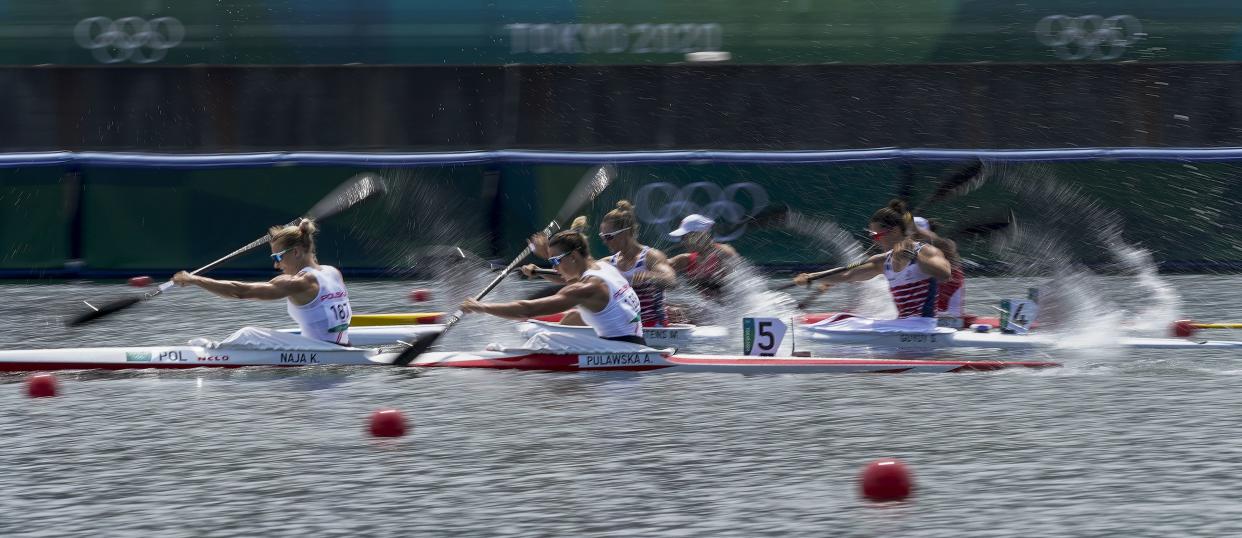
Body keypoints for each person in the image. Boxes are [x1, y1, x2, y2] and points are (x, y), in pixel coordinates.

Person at [466, 217, 646, 345]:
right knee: (531, 329)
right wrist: (538, 272)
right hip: (631, 343)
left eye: (555, 261)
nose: (554, 267)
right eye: (551, 262)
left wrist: (482, 307)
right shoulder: (604, 267)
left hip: (622, 349)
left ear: (574, 256)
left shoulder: (586, 288)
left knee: (540, 336)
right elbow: (568, 277)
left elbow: (528, 309)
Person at [172, 218, 353, 345]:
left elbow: (240, 291)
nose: (276, 265)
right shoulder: (332, 273)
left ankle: (211, 353)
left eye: (278, 257)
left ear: (296, 252)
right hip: (341, 345)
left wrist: (193, 279)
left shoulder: (300, 283)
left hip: (322, 352)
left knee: (248, 334)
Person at [793, 200, 952, 320]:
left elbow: (944, 274)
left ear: (895, 231)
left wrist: (915, 257)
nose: (875, 241)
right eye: (872, 236)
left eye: (877, 236)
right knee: (843, 321)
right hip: (901, 326)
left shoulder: (925, 251)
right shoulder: (882, 261)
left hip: (923, 326)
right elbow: (847, 276)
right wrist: (811, 277)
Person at [595, 200, 678, 326]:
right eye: (603, 237)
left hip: (653, 327)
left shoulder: (650, 257)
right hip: (624, 328)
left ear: (626, 232)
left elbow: (671, 280)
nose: (605, 242)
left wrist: (650, 276)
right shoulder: (608, 263)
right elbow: (580, 276)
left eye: (609, 236)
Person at [666, 214, 739, 301]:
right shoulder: (685, 260)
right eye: (682, 238)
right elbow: (658, 264)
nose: (683, 242)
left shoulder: (724, 253)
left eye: (685, 237)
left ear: (701, 234)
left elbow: (737, 287)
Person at [912, 216, 967, 325]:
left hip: (950, 317)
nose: (913, 239)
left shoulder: (946, 246)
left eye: (917, 235)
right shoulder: (910, 250)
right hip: (926, 314)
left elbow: (936, 241)